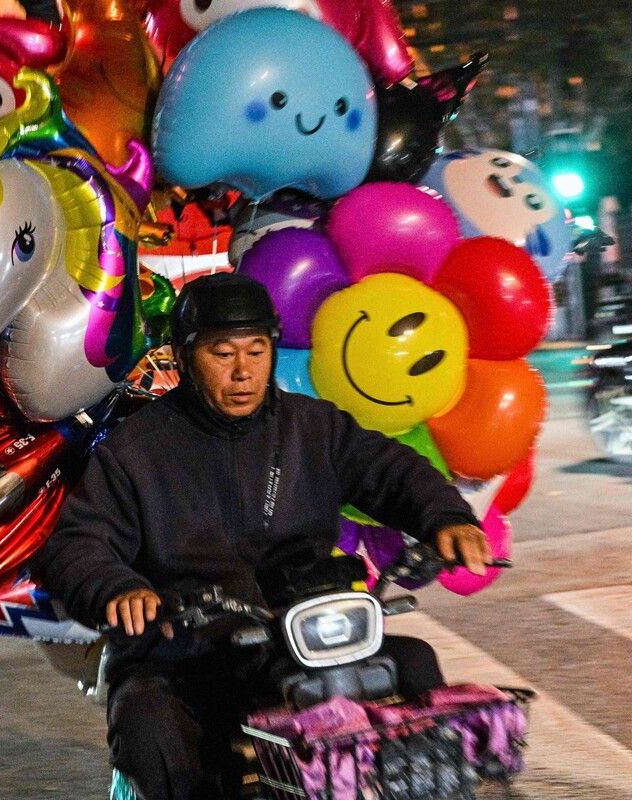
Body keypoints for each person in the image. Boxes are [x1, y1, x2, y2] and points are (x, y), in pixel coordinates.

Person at [30, 272, 490, 800]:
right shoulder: (136, 450)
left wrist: (445, 516)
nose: (243, 371)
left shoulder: (314, 426)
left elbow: (387, 468)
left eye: (257, 350)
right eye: (223, 354)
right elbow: (79, 541)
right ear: (183, 357)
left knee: (413, 665)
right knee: (152, 726)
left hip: (302, 632)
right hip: (189, 644)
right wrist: (117, 588)